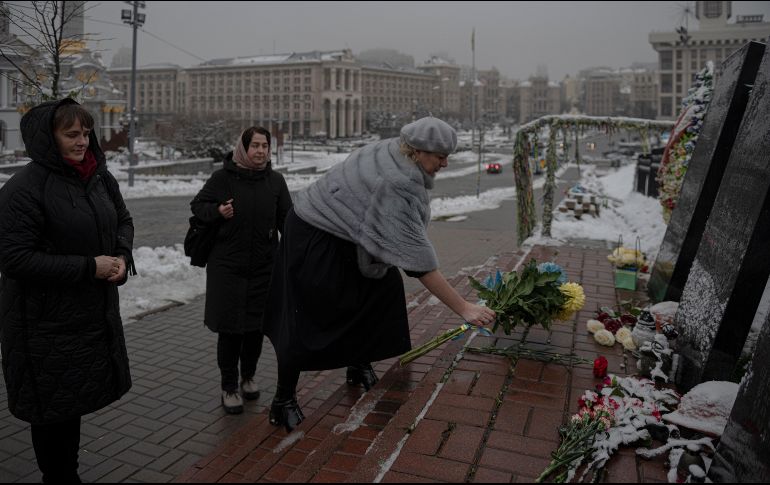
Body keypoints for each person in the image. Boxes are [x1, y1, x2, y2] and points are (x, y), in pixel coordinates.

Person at [264, 116, 496, 432]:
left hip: (346, 234)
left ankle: (358, 363)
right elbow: (419, 263)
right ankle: (283, 400)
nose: (445, 163)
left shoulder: (397, 151)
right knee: (306, 315)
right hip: (314, 234)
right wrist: (464, 308)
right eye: (439, 156)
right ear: (417, 151)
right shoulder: (396, 184)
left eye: (447, 155)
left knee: (377, 294)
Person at [0, 98, 135, 483]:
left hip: (86, 320)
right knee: (52, 410)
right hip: (41, 326)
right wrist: (89, 266)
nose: (82, 141)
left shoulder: (97, 177)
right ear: (48, 138)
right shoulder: (25, 189)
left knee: (68, 405)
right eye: (71, 134)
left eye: (86, 132)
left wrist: (122, 256)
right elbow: (14, 259)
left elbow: (122, 220)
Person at [191, 127, 291, 414]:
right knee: (231, 330)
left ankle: (248, 376)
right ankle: (229, 386)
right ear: (243, 148)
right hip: (227, 268)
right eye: (254, 145)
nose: (260, 151)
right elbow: (198, 206)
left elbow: (288, 221)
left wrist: (299, 252)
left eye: (264, 146)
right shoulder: (223, 178)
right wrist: (218, 212)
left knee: (255, 329)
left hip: (263, 268)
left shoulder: (275, 182)